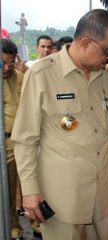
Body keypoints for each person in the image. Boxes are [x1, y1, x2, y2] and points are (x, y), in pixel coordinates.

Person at [11, 9, 108, 240]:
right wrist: (29, 191)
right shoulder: (42, 74)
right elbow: (25, 139)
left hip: (101, 192)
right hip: (63, 196)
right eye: (107, 50)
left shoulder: (103, 78)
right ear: (85, 42)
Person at [2, 39, 25, 240]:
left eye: (11, 62)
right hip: (5, 143)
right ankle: (14, 230)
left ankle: (37, 226)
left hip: (26, 142)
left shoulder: (20, 77)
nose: (7, 67)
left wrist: (24, 68)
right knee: (8, 191)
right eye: (3, 63)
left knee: (31, 187)